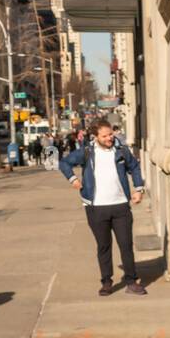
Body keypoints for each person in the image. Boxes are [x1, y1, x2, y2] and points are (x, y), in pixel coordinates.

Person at [59, 120, 147, 296]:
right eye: (105, 136)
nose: (109, 138)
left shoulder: (121, 150)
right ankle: (106, 282)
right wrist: (73, 179)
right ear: (96, 136)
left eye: (111, 134)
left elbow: (134, 167)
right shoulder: (87, 152)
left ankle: (131, 281)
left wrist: (138, 189)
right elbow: (64, 163)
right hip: (96, 208)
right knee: (104, 246)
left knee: (126, 245)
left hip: (121, 205)